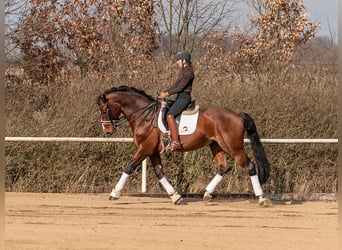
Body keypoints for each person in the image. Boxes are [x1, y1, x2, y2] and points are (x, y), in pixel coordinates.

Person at [158, 50, 195, 150]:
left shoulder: (189, 72)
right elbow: (175, 85)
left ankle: (176, 142)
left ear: (184, 60)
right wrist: (165, 91)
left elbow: (180, 87)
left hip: (184, 98)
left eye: (178, 60)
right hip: (179, 97)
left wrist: (167, 93)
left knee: (170, 115)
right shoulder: (183, 71)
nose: (177, 62)